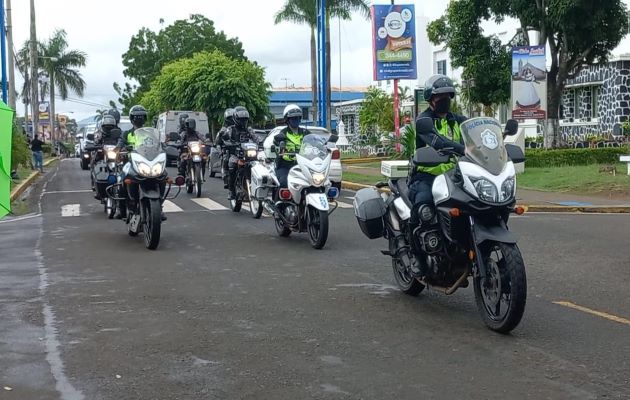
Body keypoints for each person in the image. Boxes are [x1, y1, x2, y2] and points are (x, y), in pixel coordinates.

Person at [409, 74, 467, 217]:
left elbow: (474, 135)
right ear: (430, 98)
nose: (445, 99)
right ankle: (412, 236)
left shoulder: (458, 120)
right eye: (440, 96)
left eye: (448, 95)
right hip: (427, 177)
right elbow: (438, 142)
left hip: (454, 177)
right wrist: (463, 149)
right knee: (424, 204)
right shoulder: (424, 120)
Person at [221, 106, 256, 199]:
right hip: (235, 155)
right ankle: (231, 191)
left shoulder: (249, 129)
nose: (243, 121)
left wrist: (261, 143)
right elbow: (224, 138)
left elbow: (256, 138)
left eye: (245, 119)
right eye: (241, 119)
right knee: (231, 167)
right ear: (236, 119)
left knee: (258, 166)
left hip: (248, 155)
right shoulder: (230, 129)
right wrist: (226, 141)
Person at [273, 104, 309, 188]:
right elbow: (276, 141)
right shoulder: (284, 132)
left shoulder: (305, 132)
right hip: (285, 165)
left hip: (303, 165)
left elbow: (314, 142)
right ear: (287, 120)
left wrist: (322, 144)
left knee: (316, 182)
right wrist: (278, 142)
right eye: (293, 118)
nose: (296, 120)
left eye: (297, 118)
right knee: (284, 183)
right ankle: (279, 201)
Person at [215, 108, 235, 188]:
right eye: (230, 118)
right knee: (226, 158)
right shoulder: (223, 130)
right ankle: (225, 177)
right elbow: (217, 142)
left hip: (238, 150)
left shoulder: (241, 129)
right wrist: (220, 151)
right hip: (227, 150)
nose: (232, 120)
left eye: (233, 118)